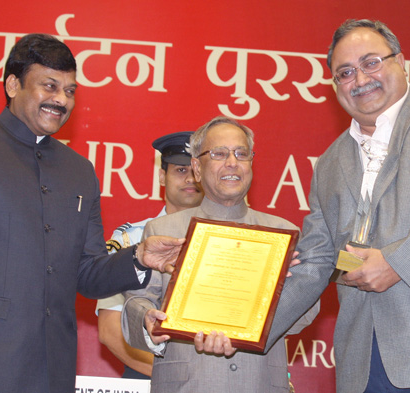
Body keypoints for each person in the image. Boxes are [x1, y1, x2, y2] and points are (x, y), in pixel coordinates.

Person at [0, 34, 183, 393]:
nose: (61, 100)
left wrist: (140, 258)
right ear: (12, 84)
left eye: (70, 91)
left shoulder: (79, 170)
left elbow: (87, 272)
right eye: (49, 86)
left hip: (53, 370)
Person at [258, 19, 410, 393]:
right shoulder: (330, 162)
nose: (360, 79)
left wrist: (397, 261)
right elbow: (317, 261)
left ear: (401, 62)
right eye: (345, 73)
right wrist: (247, 329)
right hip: (361, 366)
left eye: (371, 63)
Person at [120, 116, 320, 393]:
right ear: (197, 169)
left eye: (242, 154)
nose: (232, 162)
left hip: (260, 384)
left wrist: (279, 293)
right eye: (219, 154)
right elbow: (137, 302)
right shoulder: (163, 229)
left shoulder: (282, 233)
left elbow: (306, 314)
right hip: (186, 385)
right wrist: (148, 320)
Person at [96, 131, 203, 379]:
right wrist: (175, 377)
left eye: (196, 171)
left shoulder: (227, 241)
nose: (189, 179)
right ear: (161, 176)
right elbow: (110, 330)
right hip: (148, 378)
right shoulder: (130, 240)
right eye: (179, 170)